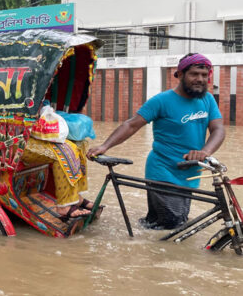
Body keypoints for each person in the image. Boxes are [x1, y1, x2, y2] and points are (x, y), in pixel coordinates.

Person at [87, 53, 225, 229]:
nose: (200, 79)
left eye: (204, 75)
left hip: (190, 171)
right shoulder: (162, 100)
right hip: (163, 171)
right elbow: (131, 125)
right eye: (194, 74)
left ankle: (141, 240)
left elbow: (218, 129)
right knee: (172, 225)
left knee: (164, 225)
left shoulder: (207, 99)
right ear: (180, 75)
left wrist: (205, 152)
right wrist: (105, 146)